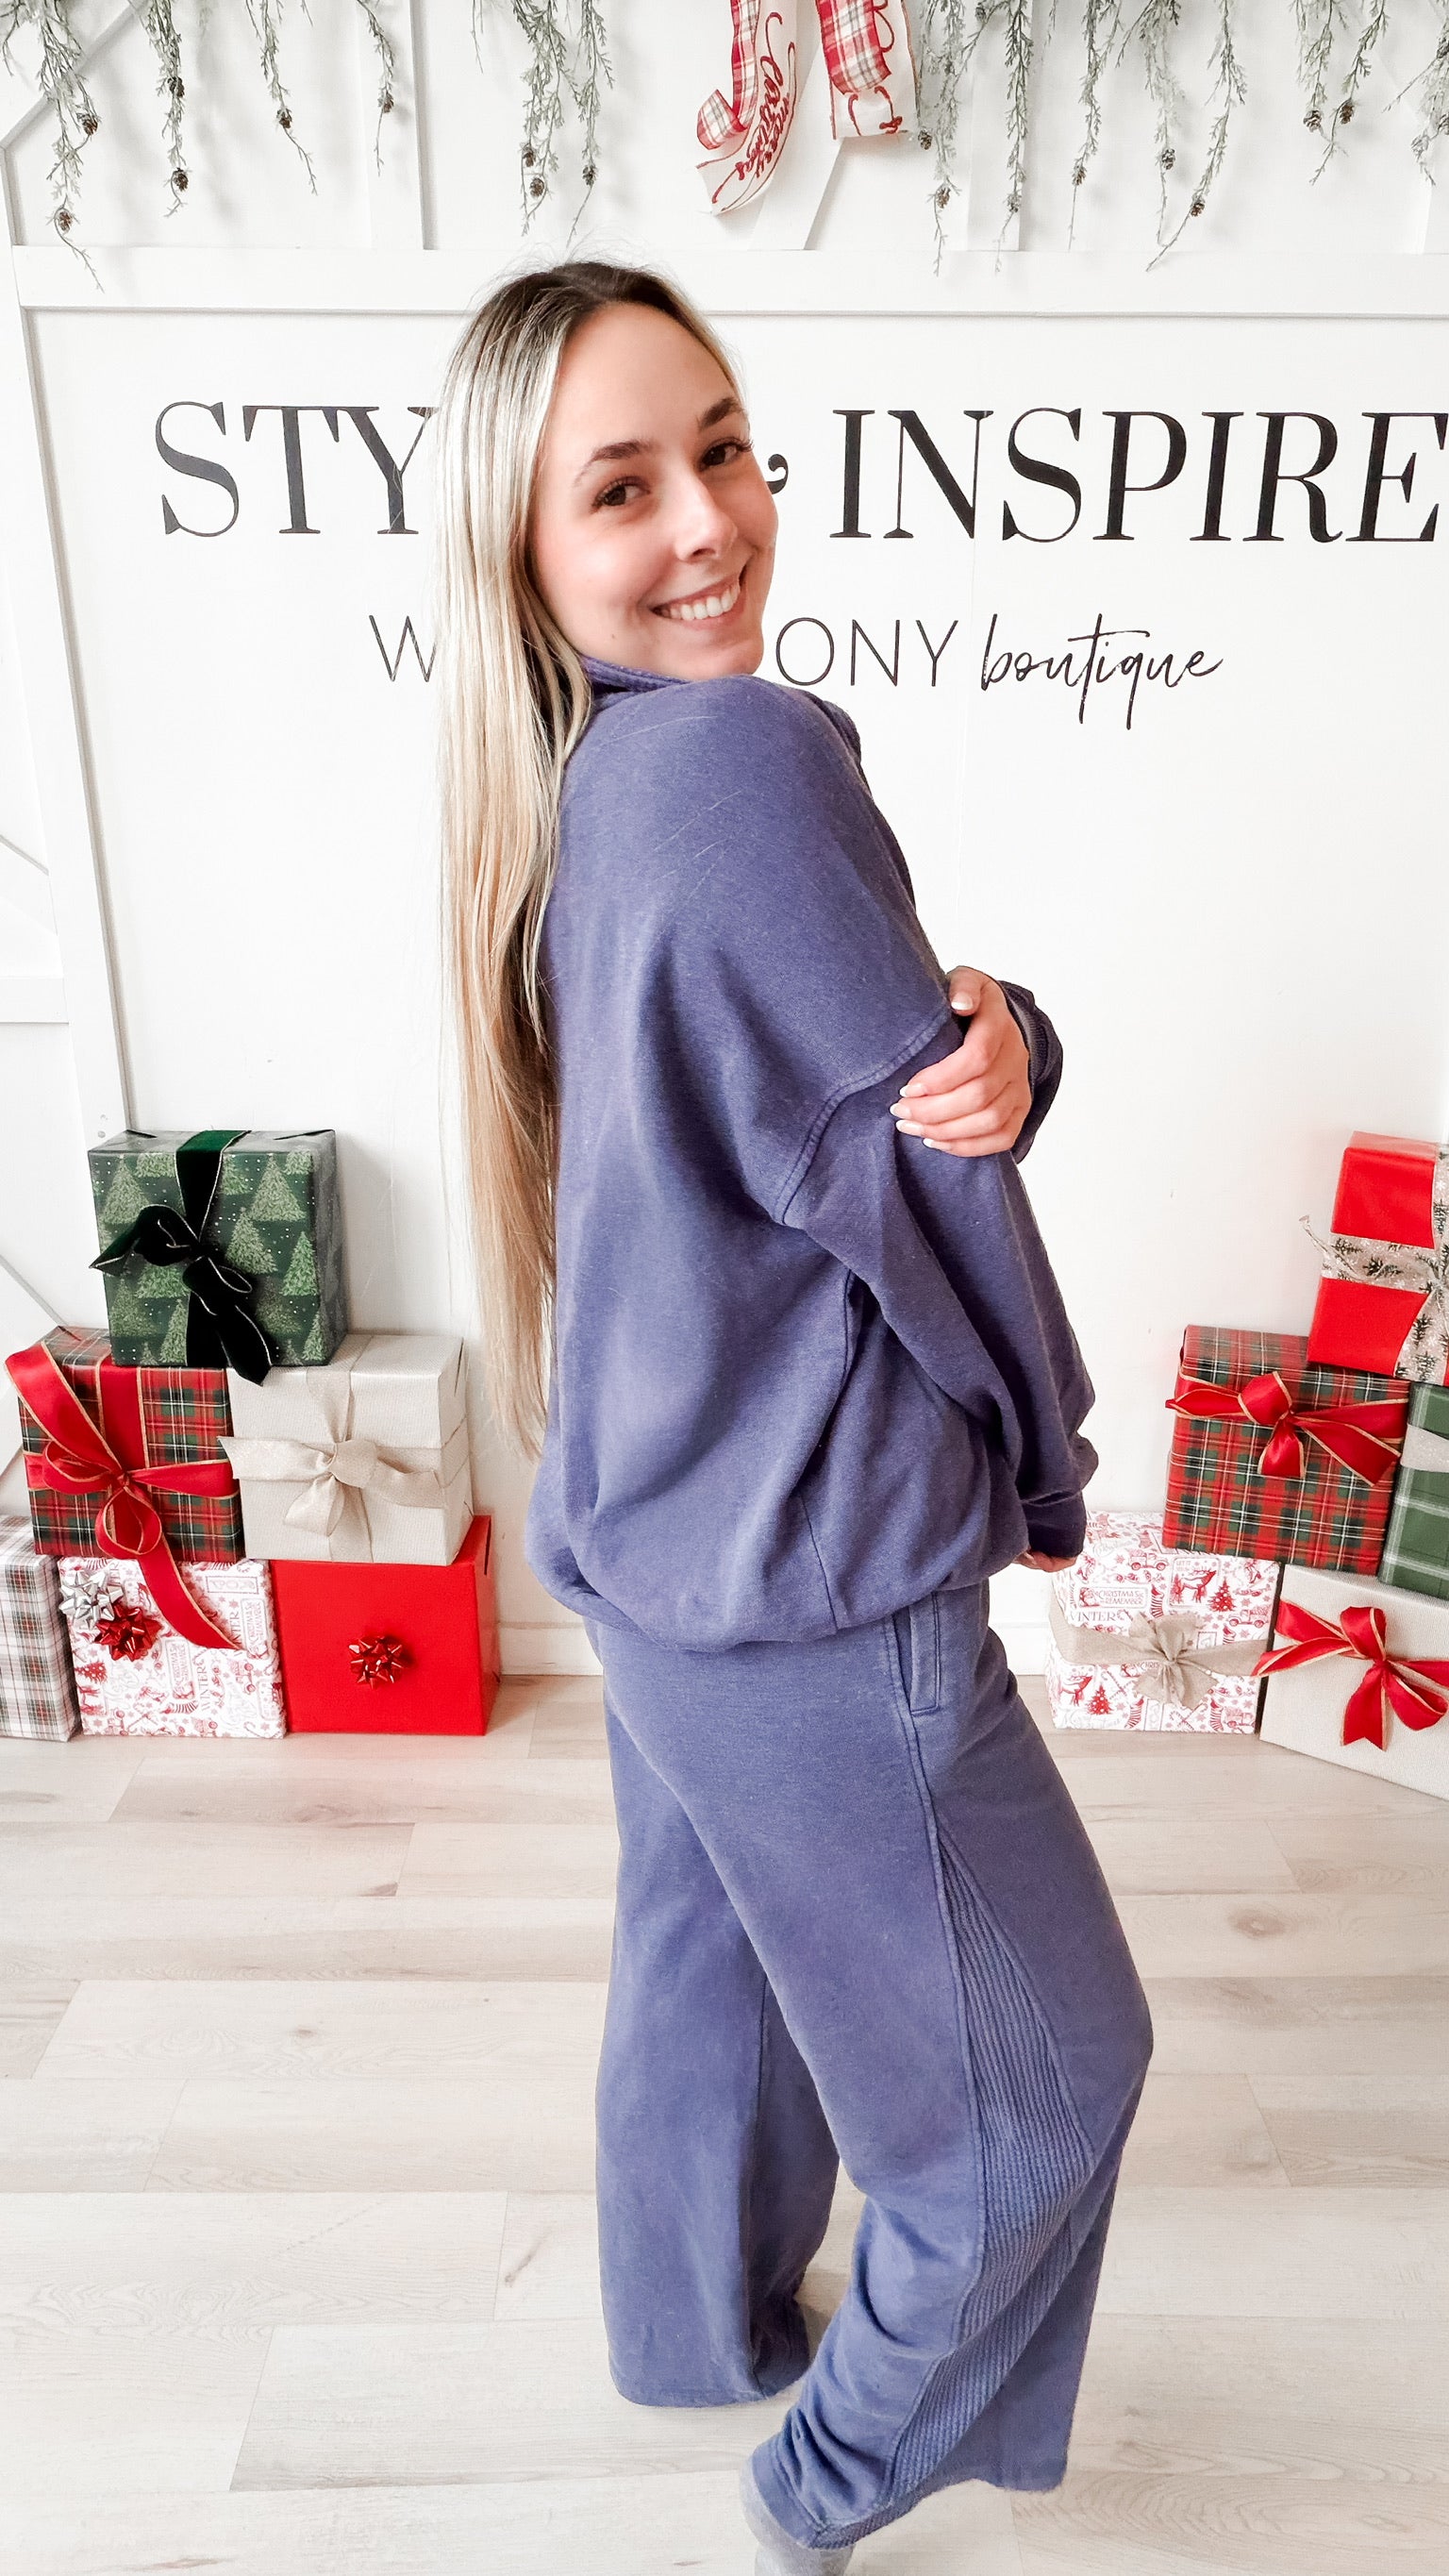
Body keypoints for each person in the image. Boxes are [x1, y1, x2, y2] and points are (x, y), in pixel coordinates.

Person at [434, 259, 1153, 2574]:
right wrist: (1041, 1462)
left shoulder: (571, 788)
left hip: (652, 1535)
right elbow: (910, 1183)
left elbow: (852, 1100)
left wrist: (1009, 1034)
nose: (709, 522)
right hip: (819, 1572)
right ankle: (813, 2488)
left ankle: (691, 2334)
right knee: (1047, 2091)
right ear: (524, 547)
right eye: (621, 487)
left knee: (713, 1965)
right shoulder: (744, 761)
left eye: (725, 449)